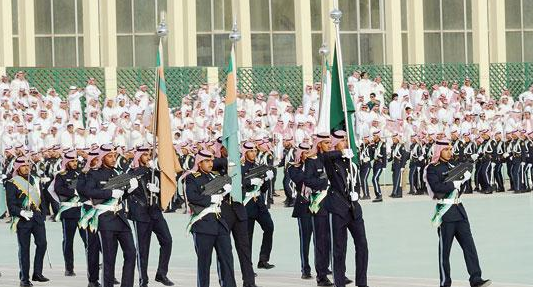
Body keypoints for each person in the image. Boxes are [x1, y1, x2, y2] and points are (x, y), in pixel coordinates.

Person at [424, 140, 492, 287]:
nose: (450, 152)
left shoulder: (454, 166)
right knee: (445, 252)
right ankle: (445, 283)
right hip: (446, 213)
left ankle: (476, 278)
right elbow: (436, 187)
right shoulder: (432, 168)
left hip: (460, 211)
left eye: (450, 149)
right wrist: (452, 184)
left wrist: (463, 179)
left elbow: (459, 189)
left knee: (470, 247)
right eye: (446, 149)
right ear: (439, 151)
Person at [85, 144, 137, 287]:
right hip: (105, 219)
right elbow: (89, 191)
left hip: (120, 218)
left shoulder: (117, 173)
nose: (113, 159)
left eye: (115, 155)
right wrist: (109, 193)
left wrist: (130, 190)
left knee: (131, 253)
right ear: (102, 157)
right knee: (109, 258)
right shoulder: (93, 174)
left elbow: (120, 196)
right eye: (110, 156)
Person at [185, 149, 237, 287]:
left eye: (211, 161)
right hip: (203, 225)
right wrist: (210, 198)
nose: (210, 164)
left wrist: (224, 191)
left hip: (220, 223)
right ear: (199, 163)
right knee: (204, 264)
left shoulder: (213, 177)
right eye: (206, 161)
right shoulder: (192, 177)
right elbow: (192, 197)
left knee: (227, 260)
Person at [325, 130, 369, 287]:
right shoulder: (331, 160)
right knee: (339, 249)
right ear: (336, 143)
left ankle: (362, 282)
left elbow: (356, 180)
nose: (346, 142)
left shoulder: (352, 160)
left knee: (362, 245)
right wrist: (340, 152)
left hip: (354, 209)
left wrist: (356, 193)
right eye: (343, 140)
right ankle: (339, 283)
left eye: (347, 139)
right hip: (338, 208)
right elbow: (325, 156)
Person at [127, 146, 175, 287]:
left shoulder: (154, 171)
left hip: (155, 212)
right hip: (140, 214)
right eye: (145, 155)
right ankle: (144, 280)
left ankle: (161, 274)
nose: (148, 157)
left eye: (149, 154)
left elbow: (164, 190)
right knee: (143, 248)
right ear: (138, 156)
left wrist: (158, 189)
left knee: (167, 241)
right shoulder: (131, 172)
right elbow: (127, 191)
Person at [5, 155, 49, 287]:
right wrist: (21, 212)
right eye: (23, 166)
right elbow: (11, 205)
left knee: (42, 244)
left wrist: (43, 214)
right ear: (17, 168)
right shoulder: (12, 183)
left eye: (27, 165)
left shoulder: (35, 180)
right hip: (23, 220)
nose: (26, 168)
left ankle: (37, 273)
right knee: (24, 249)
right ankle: (24, 279)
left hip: (37, 218)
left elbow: (42, 199)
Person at [303, 133, 333, 286]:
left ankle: (333, 269)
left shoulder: (333, 159)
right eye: (326, 143)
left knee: (332, 240)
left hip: (333, 205)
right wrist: (324, 183)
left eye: (330, 142)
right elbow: (307, 180)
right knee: (321, 241)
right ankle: (321, 276)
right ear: (320, 144)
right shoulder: (312, 161)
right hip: (319, 204)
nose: (330, 145)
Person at [241, 141, 276, 270]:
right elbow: (237, 182)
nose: (254, 153)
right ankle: (248, 266)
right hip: (247, 204)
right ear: (245, 152)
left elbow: (264, 189)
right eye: (250, 151)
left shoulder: (258, 166)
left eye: (255, 151)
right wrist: (249, 181)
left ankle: (263, 259)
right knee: (247, 237)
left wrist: (267, 179)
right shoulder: (240, 167)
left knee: (269, 227)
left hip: (259, 203)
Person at [53, 150, 85, 277]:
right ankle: (69, 267)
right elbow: (58, 189)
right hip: (69, 212)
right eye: (72, 161)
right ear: (66, 162)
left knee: (88, 240)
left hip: (82, 211)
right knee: (68, 241)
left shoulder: (81, 173)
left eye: (76, 160)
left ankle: (93, 265)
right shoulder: (61, 175)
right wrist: (73, 192)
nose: (74, 163)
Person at [287, 143, 314, 280]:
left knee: (322, 238)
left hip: (317, 204)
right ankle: (305, 268)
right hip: (303, 206)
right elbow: (300, 179)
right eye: (305, 152)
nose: (308, 154)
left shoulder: (314, 164)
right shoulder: (293, 168)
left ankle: (324, 266)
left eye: (309, 151)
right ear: (299, 154)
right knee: (305, 239)